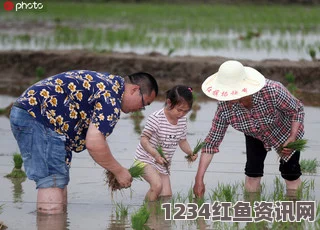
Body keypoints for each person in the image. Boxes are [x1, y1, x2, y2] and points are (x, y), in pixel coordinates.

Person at [9, 70, 158, 214]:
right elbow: (94, 143)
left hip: (36, 116)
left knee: (58, 180)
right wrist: (119, 171)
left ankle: (57, 221)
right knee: (51, 181)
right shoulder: (111, 97)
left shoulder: (108, 85)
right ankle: (50, 218)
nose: (141, 109)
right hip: (39, 118)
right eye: (144, 103)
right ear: (134, 90)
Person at [193, 60, 304, 198]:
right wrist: (199, 179)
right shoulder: (224, 107)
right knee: (252, 172)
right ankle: (253, 214)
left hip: (284, 131)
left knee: (290, 173)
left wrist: (292, 137)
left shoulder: (272, 91)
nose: (230, 100)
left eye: (233, 95)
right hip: (254, 134)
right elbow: (211, 143)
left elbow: (297, 110)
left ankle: (294, 213)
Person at [134, 85, 197, 201]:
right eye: (179, 110)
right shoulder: (156, 118)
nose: (182, 114)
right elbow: (144, 139)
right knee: (157, 186)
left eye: (186, 111)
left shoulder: (182, 121)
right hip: (145, 159)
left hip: (163, 164)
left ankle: (157, 217)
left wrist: (190, 152)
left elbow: (182, 141)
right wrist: (155, 154)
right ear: (169, 102)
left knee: (166, 196)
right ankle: (148, 214)